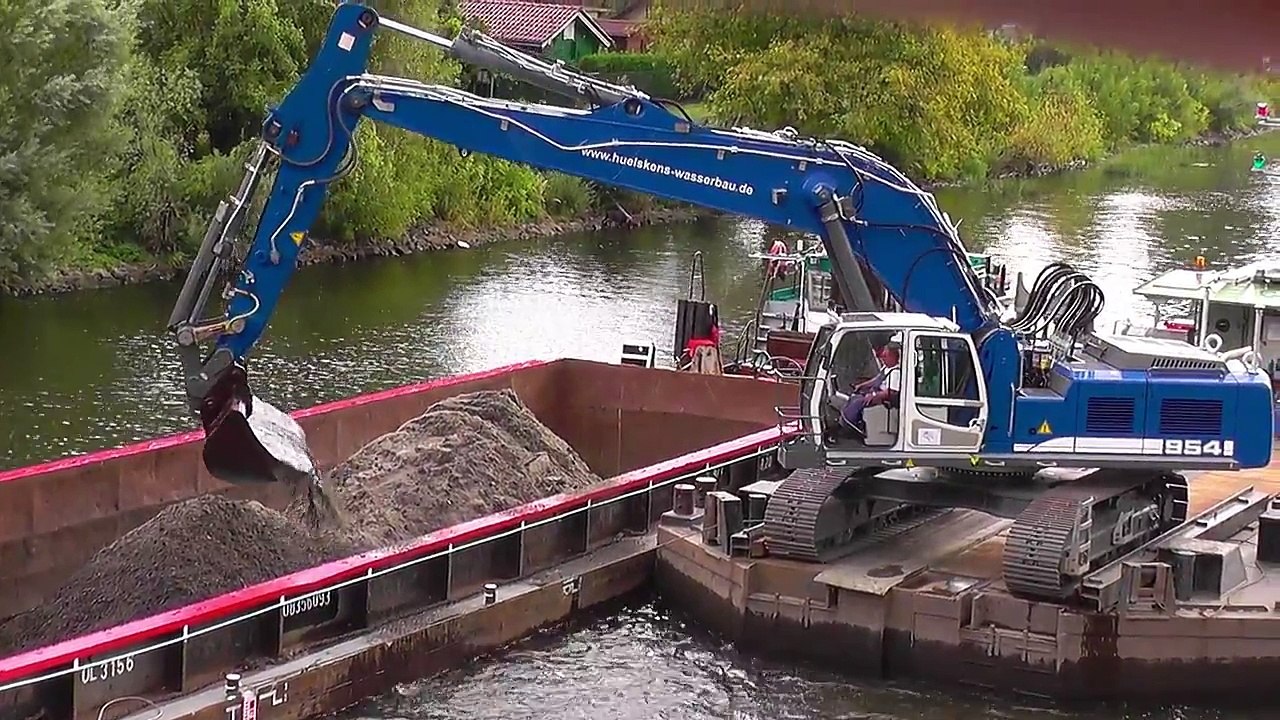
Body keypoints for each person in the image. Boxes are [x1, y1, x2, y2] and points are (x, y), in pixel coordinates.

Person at [839, 341, 901, 439]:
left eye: (885, 356)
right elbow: (876, 380)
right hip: (876, 391)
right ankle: (851, 423)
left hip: (882, 398)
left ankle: (849, 428)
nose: (883, 358)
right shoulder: (886, 368)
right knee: (854, 398)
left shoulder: (896, 372)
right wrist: (861, 386)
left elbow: (892, 392)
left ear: (893, 356)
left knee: (858, 402)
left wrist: (874, 395)